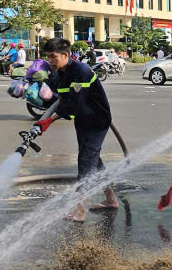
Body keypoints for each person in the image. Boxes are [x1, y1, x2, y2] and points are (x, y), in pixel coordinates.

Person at [32, 37, 118, 222]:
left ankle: (80, 211)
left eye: (53, 56)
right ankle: (111, 200)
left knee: (86, 163)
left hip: (97, 121)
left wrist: (50, 120)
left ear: (65, 55)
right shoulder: (59, 72)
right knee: (94, 161)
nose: (50, 60)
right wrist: (35, 85)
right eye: (47, 57)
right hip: (83, 120)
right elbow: (59, 98)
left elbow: (74, 104)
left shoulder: (81, 71)